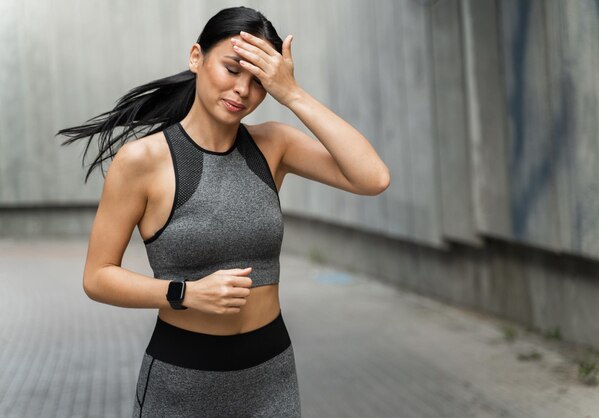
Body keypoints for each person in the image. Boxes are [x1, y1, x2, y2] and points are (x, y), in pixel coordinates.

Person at [57, 5, 390, 417]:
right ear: (196, 57)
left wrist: (292, 94)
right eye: (233, 69)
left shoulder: (273, 145)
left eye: (259, 81)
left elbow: (372, 178)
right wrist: (185, 292)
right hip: (181, 383)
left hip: (272, 378)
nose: (242, 91)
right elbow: (98, 277)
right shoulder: (143, 160)